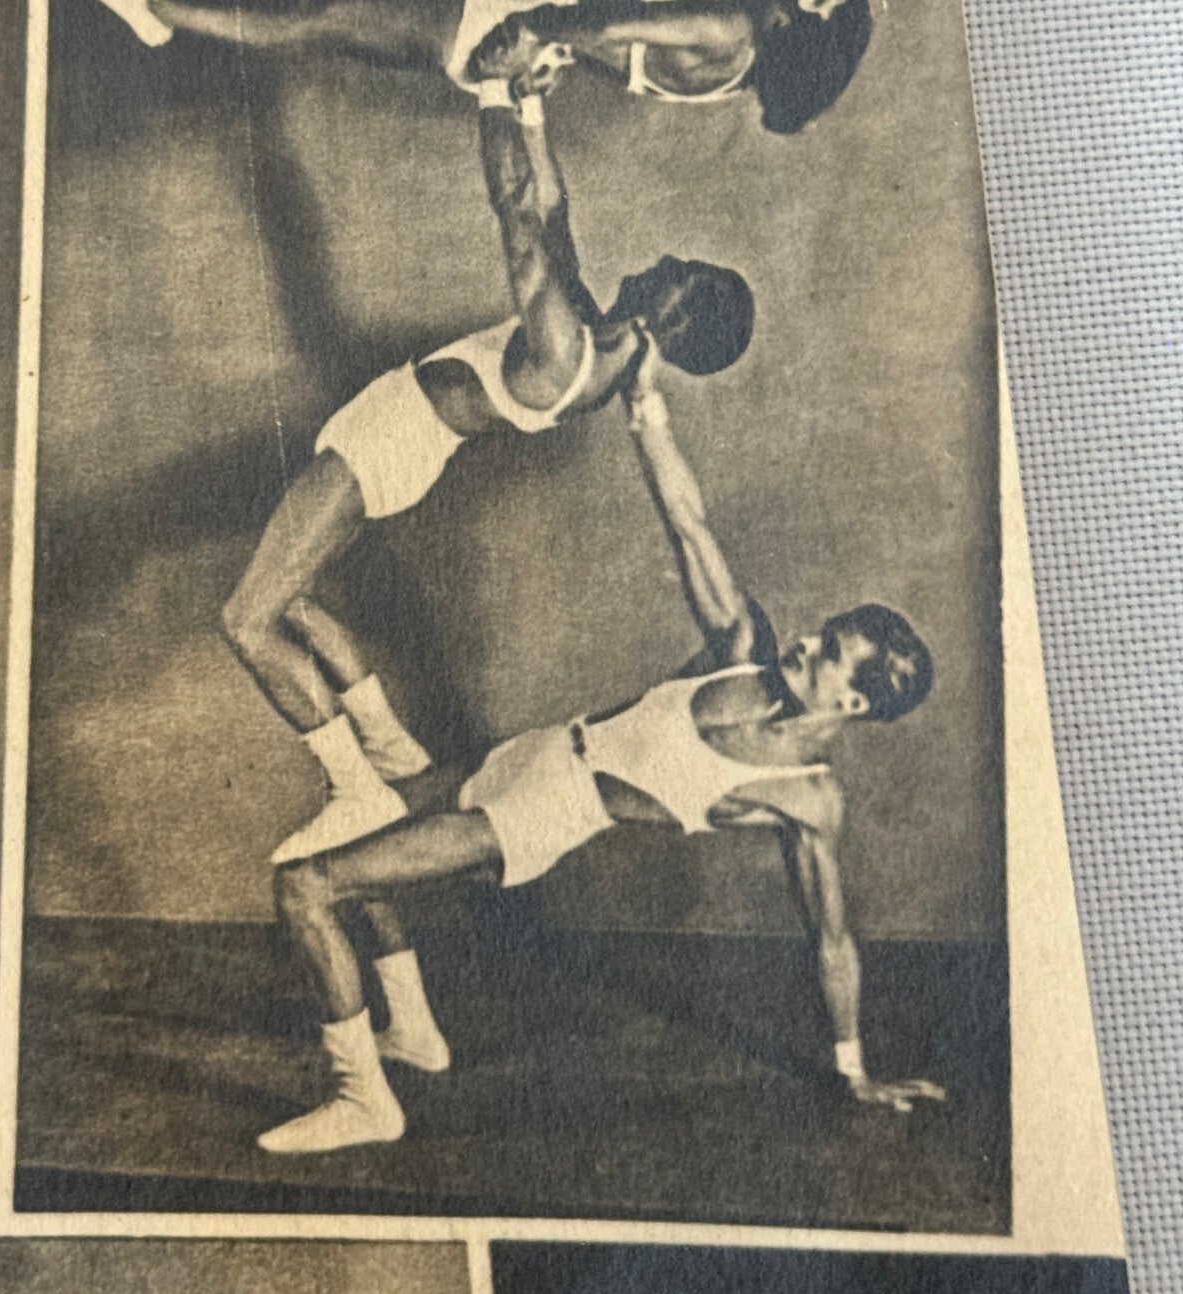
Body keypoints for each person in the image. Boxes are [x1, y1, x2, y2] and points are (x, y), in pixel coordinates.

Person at [255, 360, 943, 1155]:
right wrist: (644, 398)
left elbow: (832, 939)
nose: (806, 642)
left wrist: (852, 1068)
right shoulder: (741, 648)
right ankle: (413, 1033)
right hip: (524, 756)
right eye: (823, 632)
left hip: (535, 818)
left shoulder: (806, 796)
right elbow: (686, 521)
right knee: (367, 823)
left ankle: (365, 1103)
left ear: (852, 704)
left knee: (307, 885)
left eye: (828, 654)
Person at [222, 73, 754, 867]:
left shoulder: (571, 350)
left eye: (680, 268)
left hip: (383, 450)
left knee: (247, 619)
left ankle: (355, 788)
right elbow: (555, 214)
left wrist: (492, 90)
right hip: (391, 436)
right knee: (294, 601)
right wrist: (535, 109)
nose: (665, 257)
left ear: (679, 307)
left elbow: (518, 214)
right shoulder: (599, 345)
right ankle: (395, 755)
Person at [81, 0, 871, 134]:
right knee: (326, 31)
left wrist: (534, 33)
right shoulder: (735, 75)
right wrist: (539, 61)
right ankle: (172, 10)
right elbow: (616, 57)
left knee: (315, 14)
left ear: (788, 24)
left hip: (494, 20)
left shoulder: (725, 26)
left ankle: (163, 11)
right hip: (508, 56)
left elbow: (604, 28)